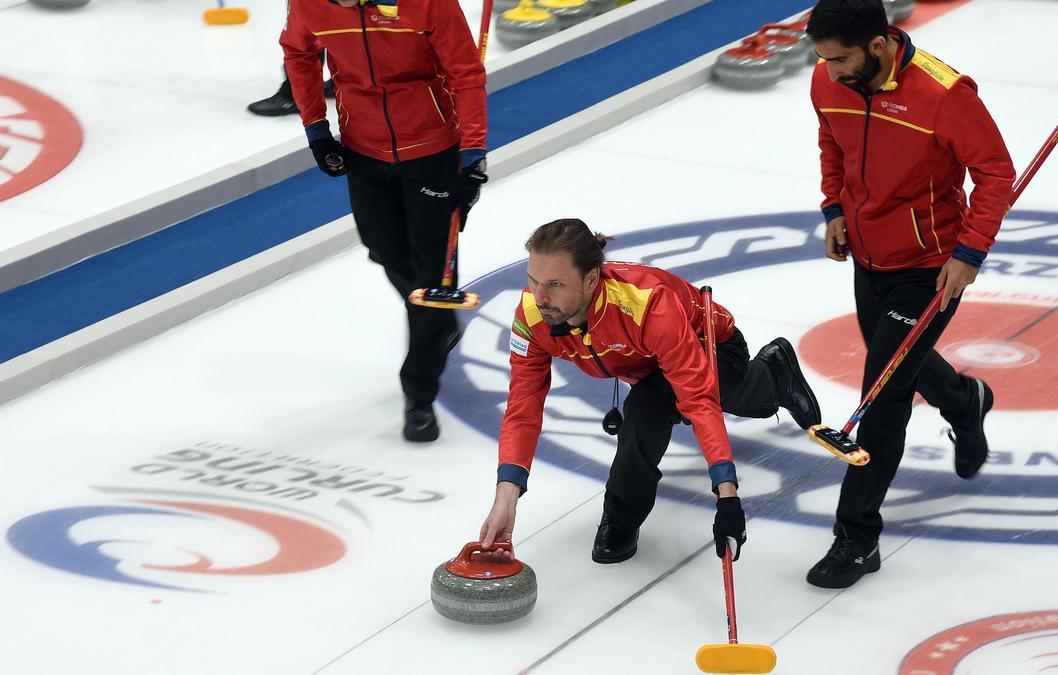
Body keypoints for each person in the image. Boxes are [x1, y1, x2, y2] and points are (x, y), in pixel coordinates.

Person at [804, 0, 1016, 589]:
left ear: (878, 43)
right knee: (900, 360)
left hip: (928, 264)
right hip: (867, 254)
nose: (830, 71)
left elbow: (996, 173)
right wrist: (833, 207)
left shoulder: (945, 95)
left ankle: (856, 537)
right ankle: (963, 399)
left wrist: (968, 253)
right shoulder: (829, 77)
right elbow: (831, 140)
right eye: (822, 59)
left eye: (840, 58)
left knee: (885, 390)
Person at [478, 219, 823, 565]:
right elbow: (523, 407)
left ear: (591, 279)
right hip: (647, 363)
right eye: (533, 281)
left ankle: (621, 516)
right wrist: (506, 495)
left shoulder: (648, 305)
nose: (539, 298)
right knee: (659, 396)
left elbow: (698, 401)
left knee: (649, 407)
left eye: (555, 284)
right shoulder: (531, 315)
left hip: (714, 345)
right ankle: (774, 373)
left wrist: (727, 495)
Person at [280, 0, 488, 442]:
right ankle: (437, 315)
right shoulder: (310, 4)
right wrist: (316, 128)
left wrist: (472, 154)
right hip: (363, 146)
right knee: (383, 249)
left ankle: (419, 395)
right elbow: (297, 52)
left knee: (430, 274)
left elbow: (466, 73)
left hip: (433, 148)